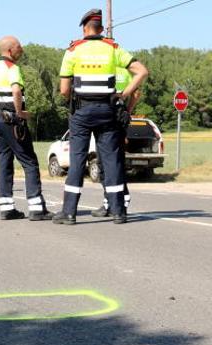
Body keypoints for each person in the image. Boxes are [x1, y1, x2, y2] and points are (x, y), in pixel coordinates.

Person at [53, 9, 148, 225]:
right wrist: (123, 94)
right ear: (101, 28)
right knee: (111, 159)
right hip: (108, 110)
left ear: (84, 28)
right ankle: (118, 211)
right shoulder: (113, 48)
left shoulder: (73, 50)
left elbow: (64, 90)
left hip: (81, 111)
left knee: (77, 159)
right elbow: (142, 71)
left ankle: (69, 212)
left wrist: (74, 101)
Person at [0, 36, 53, 221]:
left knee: (4, 164)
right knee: (29, 162)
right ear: (9, 50)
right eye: (18, 47)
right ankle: (37, 208)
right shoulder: (12, 68)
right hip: (12, 120)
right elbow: (16, 91)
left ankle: (7, 208)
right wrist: (19, 113)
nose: (21, 49)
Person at [92, 63, 139, 218]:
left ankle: (115, 200)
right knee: (115, 161)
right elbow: (136, 93)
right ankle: (113, 201)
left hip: (105, 117)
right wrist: (127, 111)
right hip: (119, 117)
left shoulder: (103, 69)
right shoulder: (126, 73)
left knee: (106, 163)